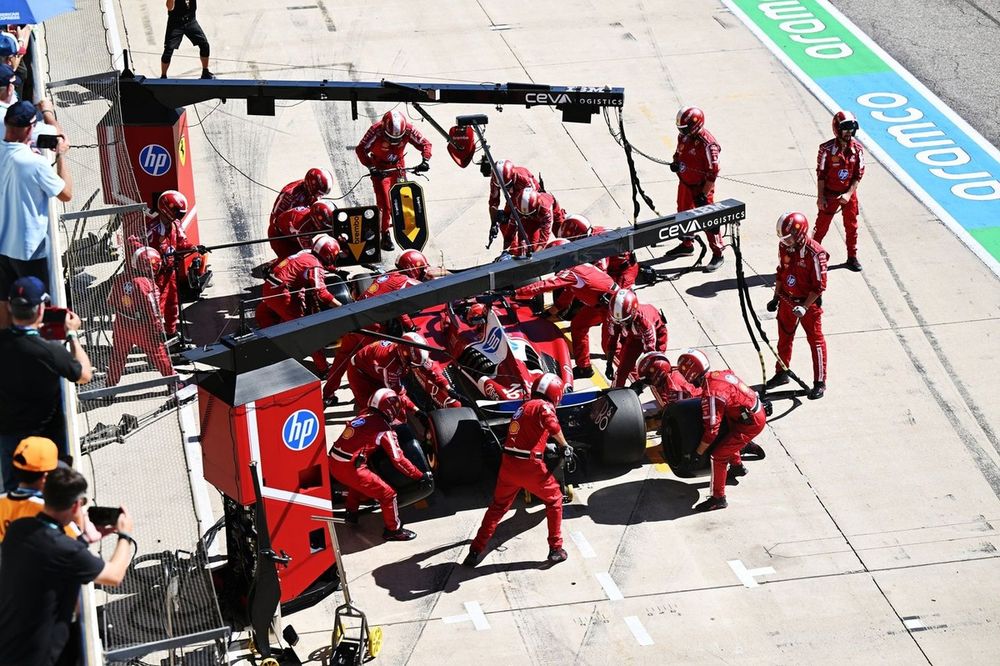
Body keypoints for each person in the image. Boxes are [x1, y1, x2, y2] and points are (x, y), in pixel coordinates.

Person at [0, 466, 134, 665]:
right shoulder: (66, 551)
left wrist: (83, 538)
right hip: (41, 655)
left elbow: (48, 553)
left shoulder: (19, 528)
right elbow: (114, 576)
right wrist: (125, 535)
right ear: (75, 505)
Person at [463, 373, 571, 567]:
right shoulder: (543, 406)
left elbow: (528, 433)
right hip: (530, 465)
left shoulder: (523, 407)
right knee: (554, 499)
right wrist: (564, 445)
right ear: (555, 394)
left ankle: (475, 550)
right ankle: (555, 548)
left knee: (497, 507)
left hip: (508, 464)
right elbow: (552, 424)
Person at [0, 277, 91, 490]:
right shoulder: (51, 351)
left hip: (8, 436)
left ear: (11, 308)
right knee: (53, 497)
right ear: (41, 309)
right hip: (45, 439)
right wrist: (72, 334)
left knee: (14, 495)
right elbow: (84, 375)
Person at [322, 250, 431, 405]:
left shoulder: (386, 276)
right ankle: (378, 402)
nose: (422, 273)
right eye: (421, 270)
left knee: (342, 359)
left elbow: (395, 305)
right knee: (379, 364)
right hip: (371, 327)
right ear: (413, 268)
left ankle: (327, 395)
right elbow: (415, 298)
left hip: (354, 317)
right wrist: (412, 328)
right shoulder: (403, 281)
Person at [0, 101, 72, 329]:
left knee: (3, 303)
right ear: (31, 128)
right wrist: (61, 156)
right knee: (39, 308)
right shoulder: (35, 163)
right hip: (29, 251)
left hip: (2, 246)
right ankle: (40, 353)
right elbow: (66, 194)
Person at [327, 388, 430, 541]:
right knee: (388, 494)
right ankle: (393, 530)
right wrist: (419, 475)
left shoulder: (362, 416)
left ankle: (351, 513)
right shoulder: (384, 429)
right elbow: (398, 460)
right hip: (351, 468)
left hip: (334, 462)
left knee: (357, 485)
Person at [675, 349, 766, 512]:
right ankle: (737, 467)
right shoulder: (719, 374)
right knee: (727, 437)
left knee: (717, 456)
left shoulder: (712, 394)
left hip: (749, 423)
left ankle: (718, 498)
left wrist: (698, 453)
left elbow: (711, 431)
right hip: (748, 414)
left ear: (690, 374)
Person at [515, 240, 618, 379]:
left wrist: (516, 292)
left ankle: (632, 374)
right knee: (578, 326)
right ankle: (584, 368)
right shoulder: (579, 267)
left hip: (614, 308)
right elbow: (570, 292)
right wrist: (552, 311)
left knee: (610, 347)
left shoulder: (572, 272)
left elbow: (544, 285)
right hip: (602, 304)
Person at [765, 212, 829, 400]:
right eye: (783, 239)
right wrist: (776, 297)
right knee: (784, 338)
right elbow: (781, 272)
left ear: (799, 233)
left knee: (815, 340)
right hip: (786, 301)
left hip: (807, 305)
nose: (785, 242)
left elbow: (819, 286)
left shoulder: (816, 253)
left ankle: (820, 382)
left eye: (788, 237)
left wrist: (805, 306)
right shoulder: (785, 247)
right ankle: (782, 373)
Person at [256, 235, 342, 371]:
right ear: (329, 255)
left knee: (270, 318)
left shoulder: (305, 253)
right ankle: (323, 368)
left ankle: (268, 344)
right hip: (282, 295)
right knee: (307, 330)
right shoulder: (315, 265)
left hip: (269, 288)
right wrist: (342, 307)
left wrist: (335, 270)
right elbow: (321, 293)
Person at [355, 110, 432, 251]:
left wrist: (425, 160)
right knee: (385, 204)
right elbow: (361, 149)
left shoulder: (409, 129)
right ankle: (384, 234)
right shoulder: (375, 131)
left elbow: (426, 144)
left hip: (398, 166)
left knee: (405, 198)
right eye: (390, 138)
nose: (394, 142)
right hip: (380, 169)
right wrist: (371, 167)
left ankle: (408, 226)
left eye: (398, 139)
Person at [663, 106, 725, 272]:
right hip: (685, 184)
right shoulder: (683, 137)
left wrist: (704, 194)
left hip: (701, 188)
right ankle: (687, 244)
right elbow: (678, 153)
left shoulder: (708, 144)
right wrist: (675, 162)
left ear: (695, 125)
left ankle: (718, 253)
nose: (681, 131)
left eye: (684, 128)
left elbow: (714, 172)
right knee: (682, 214)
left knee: (709, 220)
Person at [105, 247, 174, 387]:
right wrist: (159, 331)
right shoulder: (148, 285)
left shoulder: (120, 278)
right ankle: (174, 383)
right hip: (143, 328)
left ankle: (109, 387)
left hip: (121, 324)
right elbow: (154, 312)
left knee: (117, 357)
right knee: (159, 354)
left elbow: (110, 300)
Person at [138, 190, 196, 340]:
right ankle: (153, 340)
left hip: (171, 274)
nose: (179, 216)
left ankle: (171, 334)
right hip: (156, 278)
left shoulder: (176, 225)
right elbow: (138, 247)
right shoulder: (151, 229)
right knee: (156, 309)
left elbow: (182, 244)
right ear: (167, 209)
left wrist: (194, 247)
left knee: (173, 305)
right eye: (177, 212)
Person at [815, 110, 865, 272]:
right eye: (846, 128)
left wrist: (849, 194)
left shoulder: (858, 150)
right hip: (829, 194)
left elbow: (858, 175)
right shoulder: (826, 150)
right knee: (821, 227)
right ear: (837, 128)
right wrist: (821, 197)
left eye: (852, 128)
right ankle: (812, 256)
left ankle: (852, 257)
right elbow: (821, 174)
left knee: (852, 226)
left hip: (848, 194)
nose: (849, 132)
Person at [346, 334, 427, 416]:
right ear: (404, 355)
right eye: (412, 364)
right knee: (374, 410)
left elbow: (428, 367)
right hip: (359, 375)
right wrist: (416, 411)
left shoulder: (401, 347)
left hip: (374, 367)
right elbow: (398, 394)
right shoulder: (389, 366)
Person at [605, 290, 668, 388]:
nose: (621, 324)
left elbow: (650, 355)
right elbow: (612, 340)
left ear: (633, 313)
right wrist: (609, 364)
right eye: (618, 322)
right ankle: (613, 394)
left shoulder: (645, 322)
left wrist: (642, 383)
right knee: (622, 369)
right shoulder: (616, 317)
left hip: (656, 334)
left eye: (625, 321)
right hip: (634, 336)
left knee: (655, 371)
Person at [557, 214, 639, 289]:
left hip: (622, 271)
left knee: (614, 298)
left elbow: (601, 277)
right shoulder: (591, 234)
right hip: (612, 263)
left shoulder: (599, 246)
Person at [488, 159, 539, 245]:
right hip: (514, 198)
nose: (506, 189)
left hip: (529, 198)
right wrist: (493, 223)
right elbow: (493, 201)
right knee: (502, 218)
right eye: (502, 187)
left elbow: (528, 202)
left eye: (508, 186)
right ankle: (513, 248)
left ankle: (532, 246)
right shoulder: (495, 180)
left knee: (526, 224)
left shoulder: (524, 178)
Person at [161, 0, 214, 79]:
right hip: (176, 23)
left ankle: (205, 72)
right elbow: (170, 7)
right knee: (168, 50)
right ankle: (163, 76)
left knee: (204, 45)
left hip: (191, 21)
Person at [267, 200, 336, 259]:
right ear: (318, 220)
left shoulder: (313, 216)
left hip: (289, 233)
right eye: (328, 222)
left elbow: (330, 230)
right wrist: (333, 268)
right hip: (279, 238)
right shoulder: (303, 229)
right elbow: (312, 255)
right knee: (299, 261)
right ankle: (270, 268)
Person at [507, 188, 564, 256]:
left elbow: (545, 237)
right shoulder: (517, 207)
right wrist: (505, 249)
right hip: (532, 218)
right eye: (524, 215)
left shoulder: (546, 209)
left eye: (530, 215)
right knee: (527, 246)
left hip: (550, 213)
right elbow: (511, 228)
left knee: (561, 234)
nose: (528, 217)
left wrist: (535, 256)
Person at [270, 167, 334, 225]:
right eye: (319, 193)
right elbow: (276, 218)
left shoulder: (309, 189)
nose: (320, 197)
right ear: (312, 187)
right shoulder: (289, 196)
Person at [634, 352, 701, 406]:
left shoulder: (672, 386)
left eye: (648, 379)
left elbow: (678, 411)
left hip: (696, 406)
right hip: (692, 402)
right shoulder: (671, 373)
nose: (648, 382)